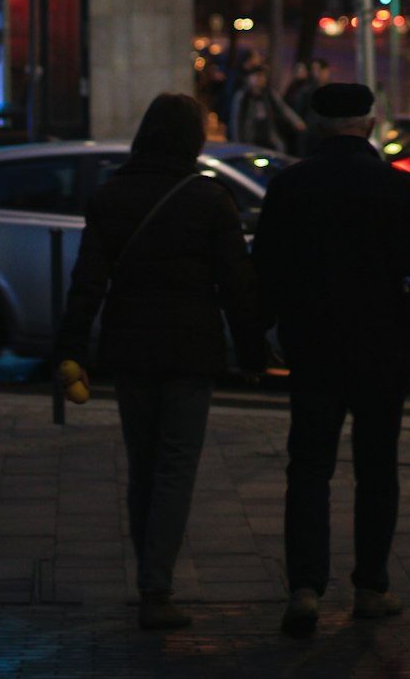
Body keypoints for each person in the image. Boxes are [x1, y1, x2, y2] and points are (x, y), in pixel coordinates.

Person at [55, 91, 265, 631]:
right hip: (191, 350)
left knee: (143, 465)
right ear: (191, 139)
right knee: (175, 465)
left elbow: (88, 283)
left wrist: (72, 349)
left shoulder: (110, 197)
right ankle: (156, 585)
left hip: (130, 348)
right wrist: (252, 349)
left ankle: (149, 580)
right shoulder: (210, 199)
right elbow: (236, 283)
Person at [252, 82, 410, 637]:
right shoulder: (394, 187)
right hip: (381, 349)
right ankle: (370, 586)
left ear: (317, 125)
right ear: (369, 123)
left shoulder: (289, 185)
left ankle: (305, 589)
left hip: (313, 346)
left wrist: (257, 337)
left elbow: (264, 268)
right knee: (376, 468)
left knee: (310, 466)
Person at [228, 64, 304, 152]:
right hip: (249, 138)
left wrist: (297, 121)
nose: (261, 79)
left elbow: (283, 108)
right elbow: (235, 121)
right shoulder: (243, 96)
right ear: (249, 78)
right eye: (257, 76)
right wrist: (238, 143)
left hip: (268, 137)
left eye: (263, 76)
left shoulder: (269, 94)